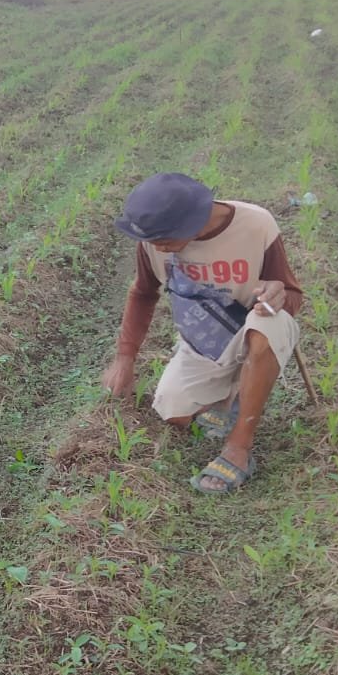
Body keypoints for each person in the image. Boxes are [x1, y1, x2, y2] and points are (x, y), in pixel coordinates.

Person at [100, 173, 303, 494]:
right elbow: (143, 293)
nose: (158, 246)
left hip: (257, 328)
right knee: (173, 412)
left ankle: (239, 446)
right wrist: (125, 358)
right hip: (205, 342)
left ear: (194, 219)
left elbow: (292, 295)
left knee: (265, 325)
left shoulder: (256, 225)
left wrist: (278, 294)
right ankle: (230, 398)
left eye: (165, 239)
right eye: (152, 239)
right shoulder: (153, 241)